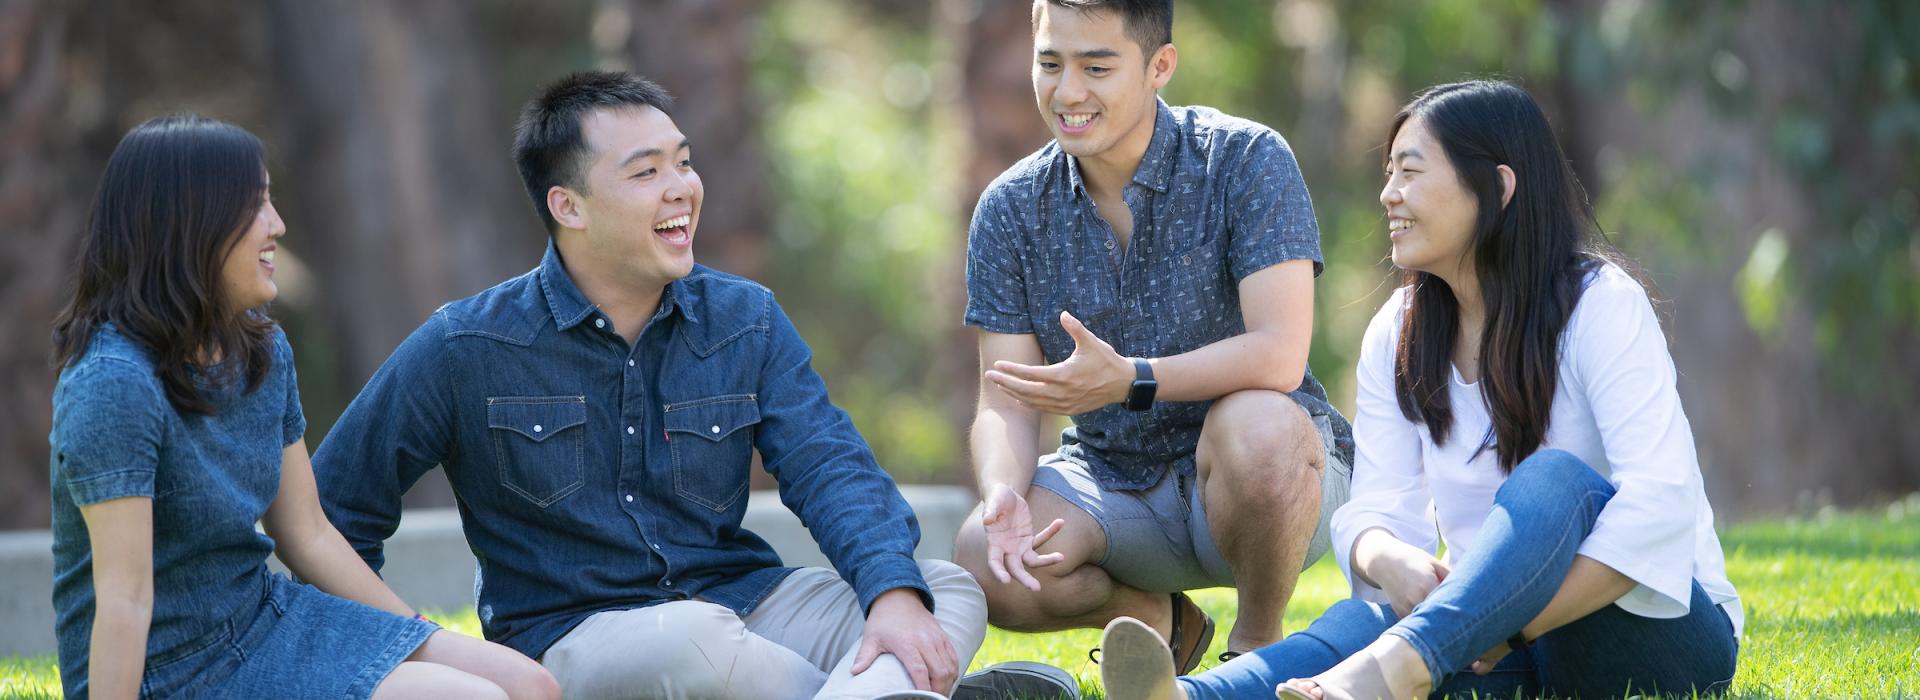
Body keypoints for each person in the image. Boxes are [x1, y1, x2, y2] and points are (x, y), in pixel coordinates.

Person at [310, 71, 987, 700]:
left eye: (684, 163)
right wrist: (412, 648)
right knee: (695, 641)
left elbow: (830, 466)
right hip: (578, 636)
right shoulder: (467, 347)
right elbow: (332, 513)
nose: (682, 188)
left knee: (942, 589)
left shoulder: (744, 321)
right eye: (647, 172)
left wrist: (893, 595)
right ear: (568, 207)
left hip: (742, 601)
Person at [1096, 79, 1743, 700]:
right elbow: (1376, 509)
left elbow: (1659, 503)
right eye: (1388, 173)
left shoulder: (1600, 305)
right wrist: (1391, 561)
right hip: (1494, 639)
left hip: (1652, 630)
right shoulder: (1400, 331)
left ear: (1498, 186)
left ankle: (1406, 663)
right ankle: (1185, 696)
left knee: (1554, 480)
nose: (1387, 195)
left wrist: (1506, 625)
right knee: (1359, 626)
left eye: (1410, 172)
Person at [47, 115, 557, 700]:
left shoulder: (261, 350)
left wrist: (411, 632)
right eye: (256, 205)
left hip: (269, 620)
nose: (277, 225)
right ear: (192, 222)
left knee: (528, 683)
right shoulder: (114, 384)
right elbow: (124, 597)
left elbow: (308, 533)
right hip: (171, 670)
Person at [952, 0, 1355, 676]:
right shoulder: (1009, 208)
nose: (1067, 91)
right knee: (981, 558)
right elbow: (1007, 400)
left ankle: (1257, 648)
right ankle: (1161, 622)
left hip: (1268, 479)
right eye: (1049, 63)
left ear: (1160, 66)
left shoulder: (1245, 160)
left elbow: (1279, 354)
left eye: (1096, 66)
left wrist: (1134, 377)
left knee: (1259, 424)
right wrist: (1002, 491)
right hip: (1112, 479)